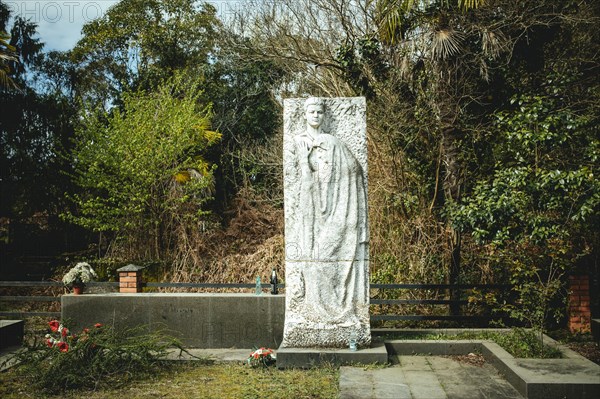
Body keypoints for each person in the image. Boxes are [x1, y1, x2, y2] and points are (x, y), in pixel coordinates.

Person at [283, 97, 369, 345]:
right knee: (313, 263)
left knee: (322, 263)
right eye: (311, 111)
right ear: (304, 114)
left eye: (320, 111)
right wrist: (304, 160)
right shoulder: (298, 142)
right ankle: (316, 314)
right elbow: (300, 185)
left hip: (335, 212)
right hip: (310, 214)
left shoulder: (333, 144)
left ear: (325, 115)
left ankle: (336, 314)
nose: (316, 115)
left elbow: (353, 170)